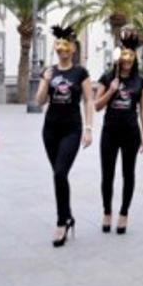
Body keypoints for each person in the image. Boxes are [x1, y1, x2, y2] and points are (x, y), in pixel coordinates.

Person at [35, 24, 93, 247]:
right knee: (59, 175)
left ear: (73, 49)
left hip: (72, 129)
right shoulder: (49, 72)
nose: (62, 49)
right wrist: (46, 81)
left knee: (60, 173)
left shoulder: (80, 73)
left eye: (66, 46)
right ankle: (68, 216)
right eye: (59, 46)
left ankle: (61, 221)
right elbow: (40, 101)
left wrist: (88, 129)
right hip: (50, 130)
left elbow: (88, 100)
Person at [95, 29, 143, 234]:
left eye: (130, 56)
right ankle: (107, 212)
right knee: (107, 175)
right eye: (123, 55)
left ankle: (124, 213)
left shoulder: (140, 81)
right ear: (118, 57)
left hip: (131, 133)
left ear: (134, 58)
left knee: (129, 174)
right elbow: (97, 106)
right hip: (109, 132)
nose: (127, 60)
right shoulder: (107, 78)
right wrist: (111, 90)